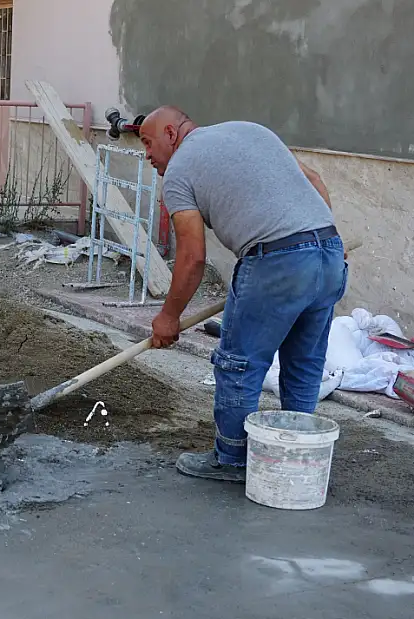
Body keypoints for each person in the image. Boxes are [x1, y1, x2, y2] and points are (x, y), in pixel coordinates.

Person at [138, 106, 348, 483]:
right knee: (304, 365)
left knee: (239, 363)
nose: (148, 155)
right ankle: (298, 452)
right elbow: (313, 180)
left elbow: (192, 256)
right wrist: (320, 241)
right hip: (328, 252)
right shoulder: (250, 130)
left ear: (171, 133)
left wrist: (169, 316)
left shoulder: (181, 169)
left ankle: (231, 458)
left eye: (148, 142)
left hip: (276, 262)